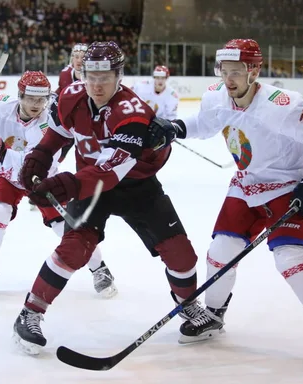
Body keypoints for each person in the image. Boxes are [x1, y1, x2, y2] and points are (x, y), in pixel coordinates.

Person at [149, 39, 303, 369]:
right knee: (219, 253)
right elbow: (205, 123)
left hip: (285, 188)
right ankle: (213, 315)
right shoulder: (216, 95)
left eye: (237, 72)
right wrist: (176, 128)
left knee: (290, 259)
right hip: (245, 186)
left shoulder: (282, 105)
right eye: (224, 71)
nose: (229, 79)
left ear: (254, 71)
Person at [12, 42, 201, 355]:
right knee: (73, 249)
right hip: (90, 187)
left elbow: (110, 171)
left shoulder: (134, 112)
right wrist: (40, 157)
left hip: (135, 186)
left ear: (119, 75)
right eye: (91, 76)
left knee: (181, 255)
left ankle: (190, 307)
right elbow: (56, 136)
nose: (97, 84)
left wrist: (65, 185)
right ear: (82, 74)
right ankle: (30, 313)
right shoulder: (71, 97)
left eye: (105, 77)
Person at [0, 70, 117, 298]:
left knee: (68, 225)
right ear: (20, 95)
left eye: (42, 99)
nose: (37, 104)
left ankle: (99, 268)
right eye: (31, 98)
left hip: (41, 179)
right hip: (3, 175)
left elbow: (31, 166)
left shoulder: (52, 122)